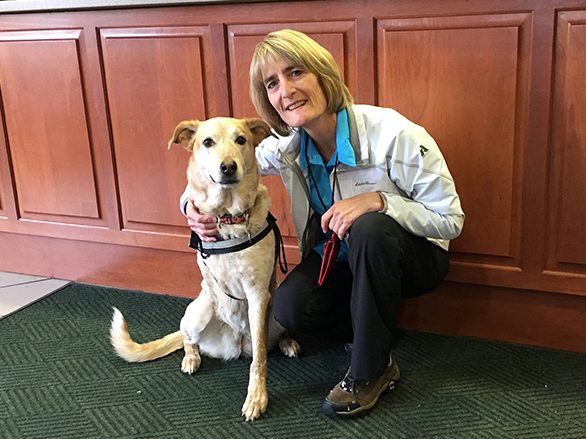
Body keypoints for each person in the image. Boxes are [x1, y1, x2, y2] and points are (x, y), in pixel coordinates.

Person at [180, 29, 464, 417]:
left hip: (411, 258)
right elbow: (220, 169)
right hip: (339, 258)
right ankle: (364, 330)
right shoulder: (286, 147)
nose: (286, 90)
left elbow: (450, 220)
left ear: (323, 75)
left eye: (296, 73)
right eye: (272, 84)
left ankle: (371, 369)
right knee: (290, 309)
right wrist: (189, 209)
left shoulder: (394, 134)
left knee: (370, 227)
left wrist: (380, 201)